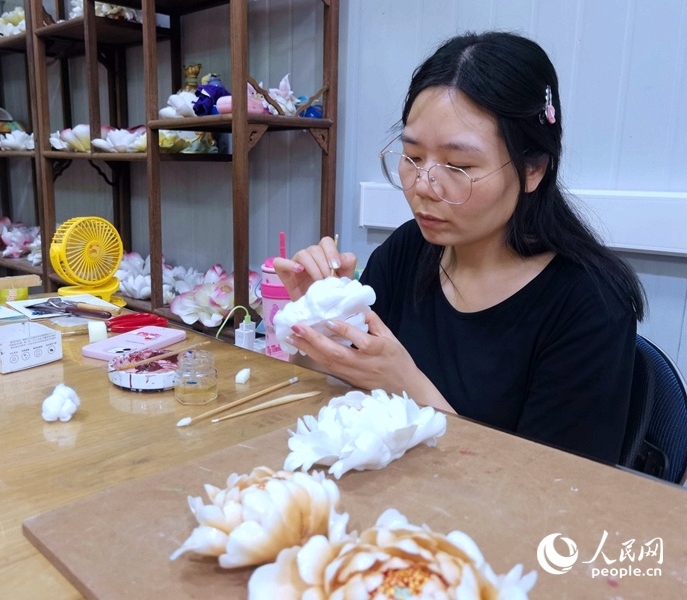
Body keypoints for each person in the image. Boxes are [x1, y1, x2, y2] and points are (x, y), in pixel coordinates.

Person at [274, 31, 646, 465]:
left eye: (459, 166)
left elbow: (553, 488)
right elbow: (343, 400)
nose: (422, 187)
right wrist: (317, 321)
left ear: (533, 170)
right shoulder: (408, 250)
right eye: (412, 157)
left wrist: (407, 385)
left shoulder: (591, 305)